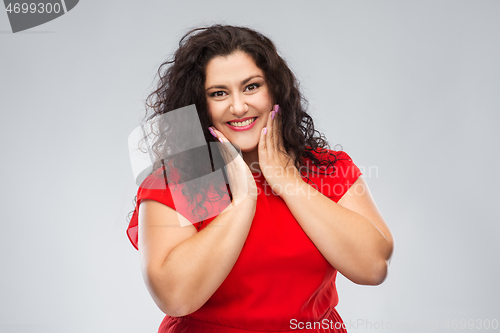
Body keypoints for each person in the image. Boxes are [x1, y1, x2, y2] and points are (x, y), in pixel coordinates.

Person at [126, 24, 394, 333]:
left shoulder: (326, 170)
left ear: (275, 90)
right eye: (218, 93)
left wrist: (286, 180)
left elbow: (374, 267)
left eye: (251, 86)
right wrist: (242, 202)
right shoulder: (174, 182)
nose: (239, 106)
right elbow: (175, 297)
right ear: (199, 106)